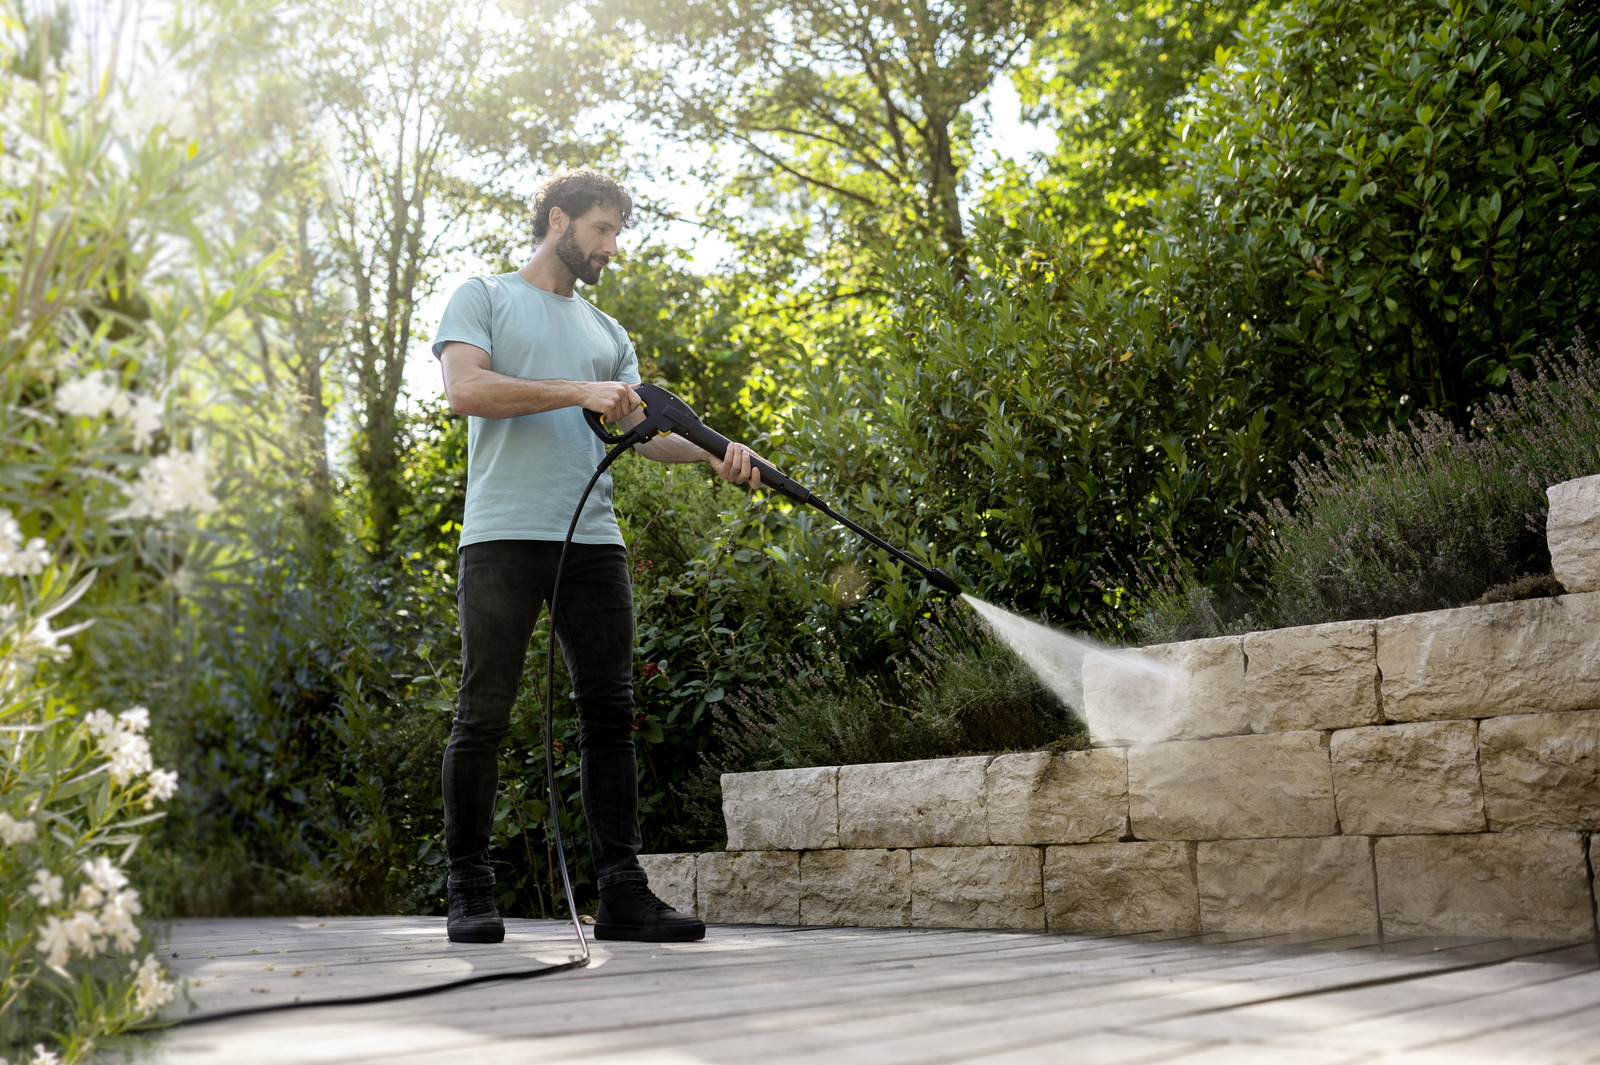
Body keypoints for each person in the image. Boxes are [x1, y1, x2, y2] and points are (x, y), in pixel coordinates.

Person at [432, 169, 762, 944]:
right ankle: (468, 889)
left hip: (593, 543)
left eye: (617, 232)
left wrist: (717, 455)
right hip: (502, 535)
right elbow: (465, 390)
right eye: (602, 230)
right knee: (484, 712)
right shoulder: (482, 295)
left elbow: (646, 433)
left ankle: (620, 892)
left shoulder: (610, 334)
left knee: (609, 716)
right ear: (559, 221)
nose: (612, 247)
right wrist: (576, 390)